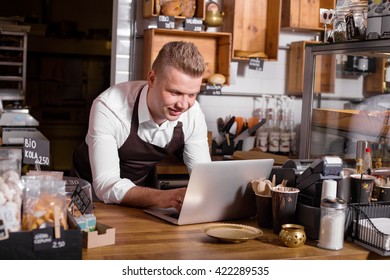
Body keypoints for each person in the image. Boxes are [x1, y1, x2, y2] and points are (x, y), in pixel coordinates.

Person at [71, 41, 211, 211]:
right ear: (152, 79)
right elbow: (106, 185)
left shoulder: (193, 112)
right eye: (175, 93)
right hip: (91, 197)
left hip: (143, 196)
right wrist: (166, 197)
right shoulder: (109, 107)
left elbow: (204, 177)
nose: (183, 105)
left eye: (192, 94)